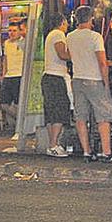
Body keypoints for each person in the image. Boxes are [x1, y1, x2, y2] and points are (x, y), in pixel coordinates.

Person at [66, 5, 112, 162]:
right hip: (94, 79)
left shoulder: (70, 36)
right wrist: (106, 83)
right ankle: (106, 152)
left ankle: (87, 151)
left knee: (81, 116)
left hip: (77, 79)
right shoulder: (95, 37)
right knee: (103, 116)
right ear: (90, 19)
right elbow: (102, 62)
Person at [40, 13, 71, 157]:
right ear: (62, 23)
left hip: (48, 76)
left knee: (51, 111)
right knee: (59, 109)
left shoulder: (50, 35)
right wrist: (77, 53)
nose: (68, 26)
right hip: (56, 76)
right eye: (66, 23)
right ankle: (53, 144)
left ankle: (52, 144)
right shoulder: (58, 34)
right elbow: (62, 55)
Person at [0, 20, 26, 135]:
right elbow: (5, 59)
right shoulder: (7, 43)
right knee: (4, 103)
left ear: (19, 31)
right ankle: (21, 121)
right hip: (9, 76)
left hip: (19, 75)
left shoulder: (23, 43)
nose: (12, 33)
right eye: (9, 31)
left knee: (19, 103)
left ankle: (19, 128)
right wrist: (3, 75)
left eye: (14, 31)